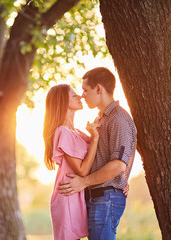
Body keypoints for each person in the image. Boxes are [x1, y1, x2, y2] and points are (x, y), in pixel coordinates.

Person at [59, 67, 137, 240]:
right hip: (99, 198)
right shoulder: (101, 119)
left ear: (99, 89)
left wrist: (84, 182)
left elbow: (118, 165)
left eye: (85, 90)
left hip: (106, 199)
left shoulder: (119, 119)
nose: (83, 95)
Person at [43, 84, 100, 240]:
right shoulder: (63, 132)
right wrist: (95, 138)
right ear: (63, 101)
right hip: (67, 195)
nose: (80, 96)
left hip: (77, 194)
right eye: (74, 95)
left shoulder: (78, 132)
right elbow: (82, 170)